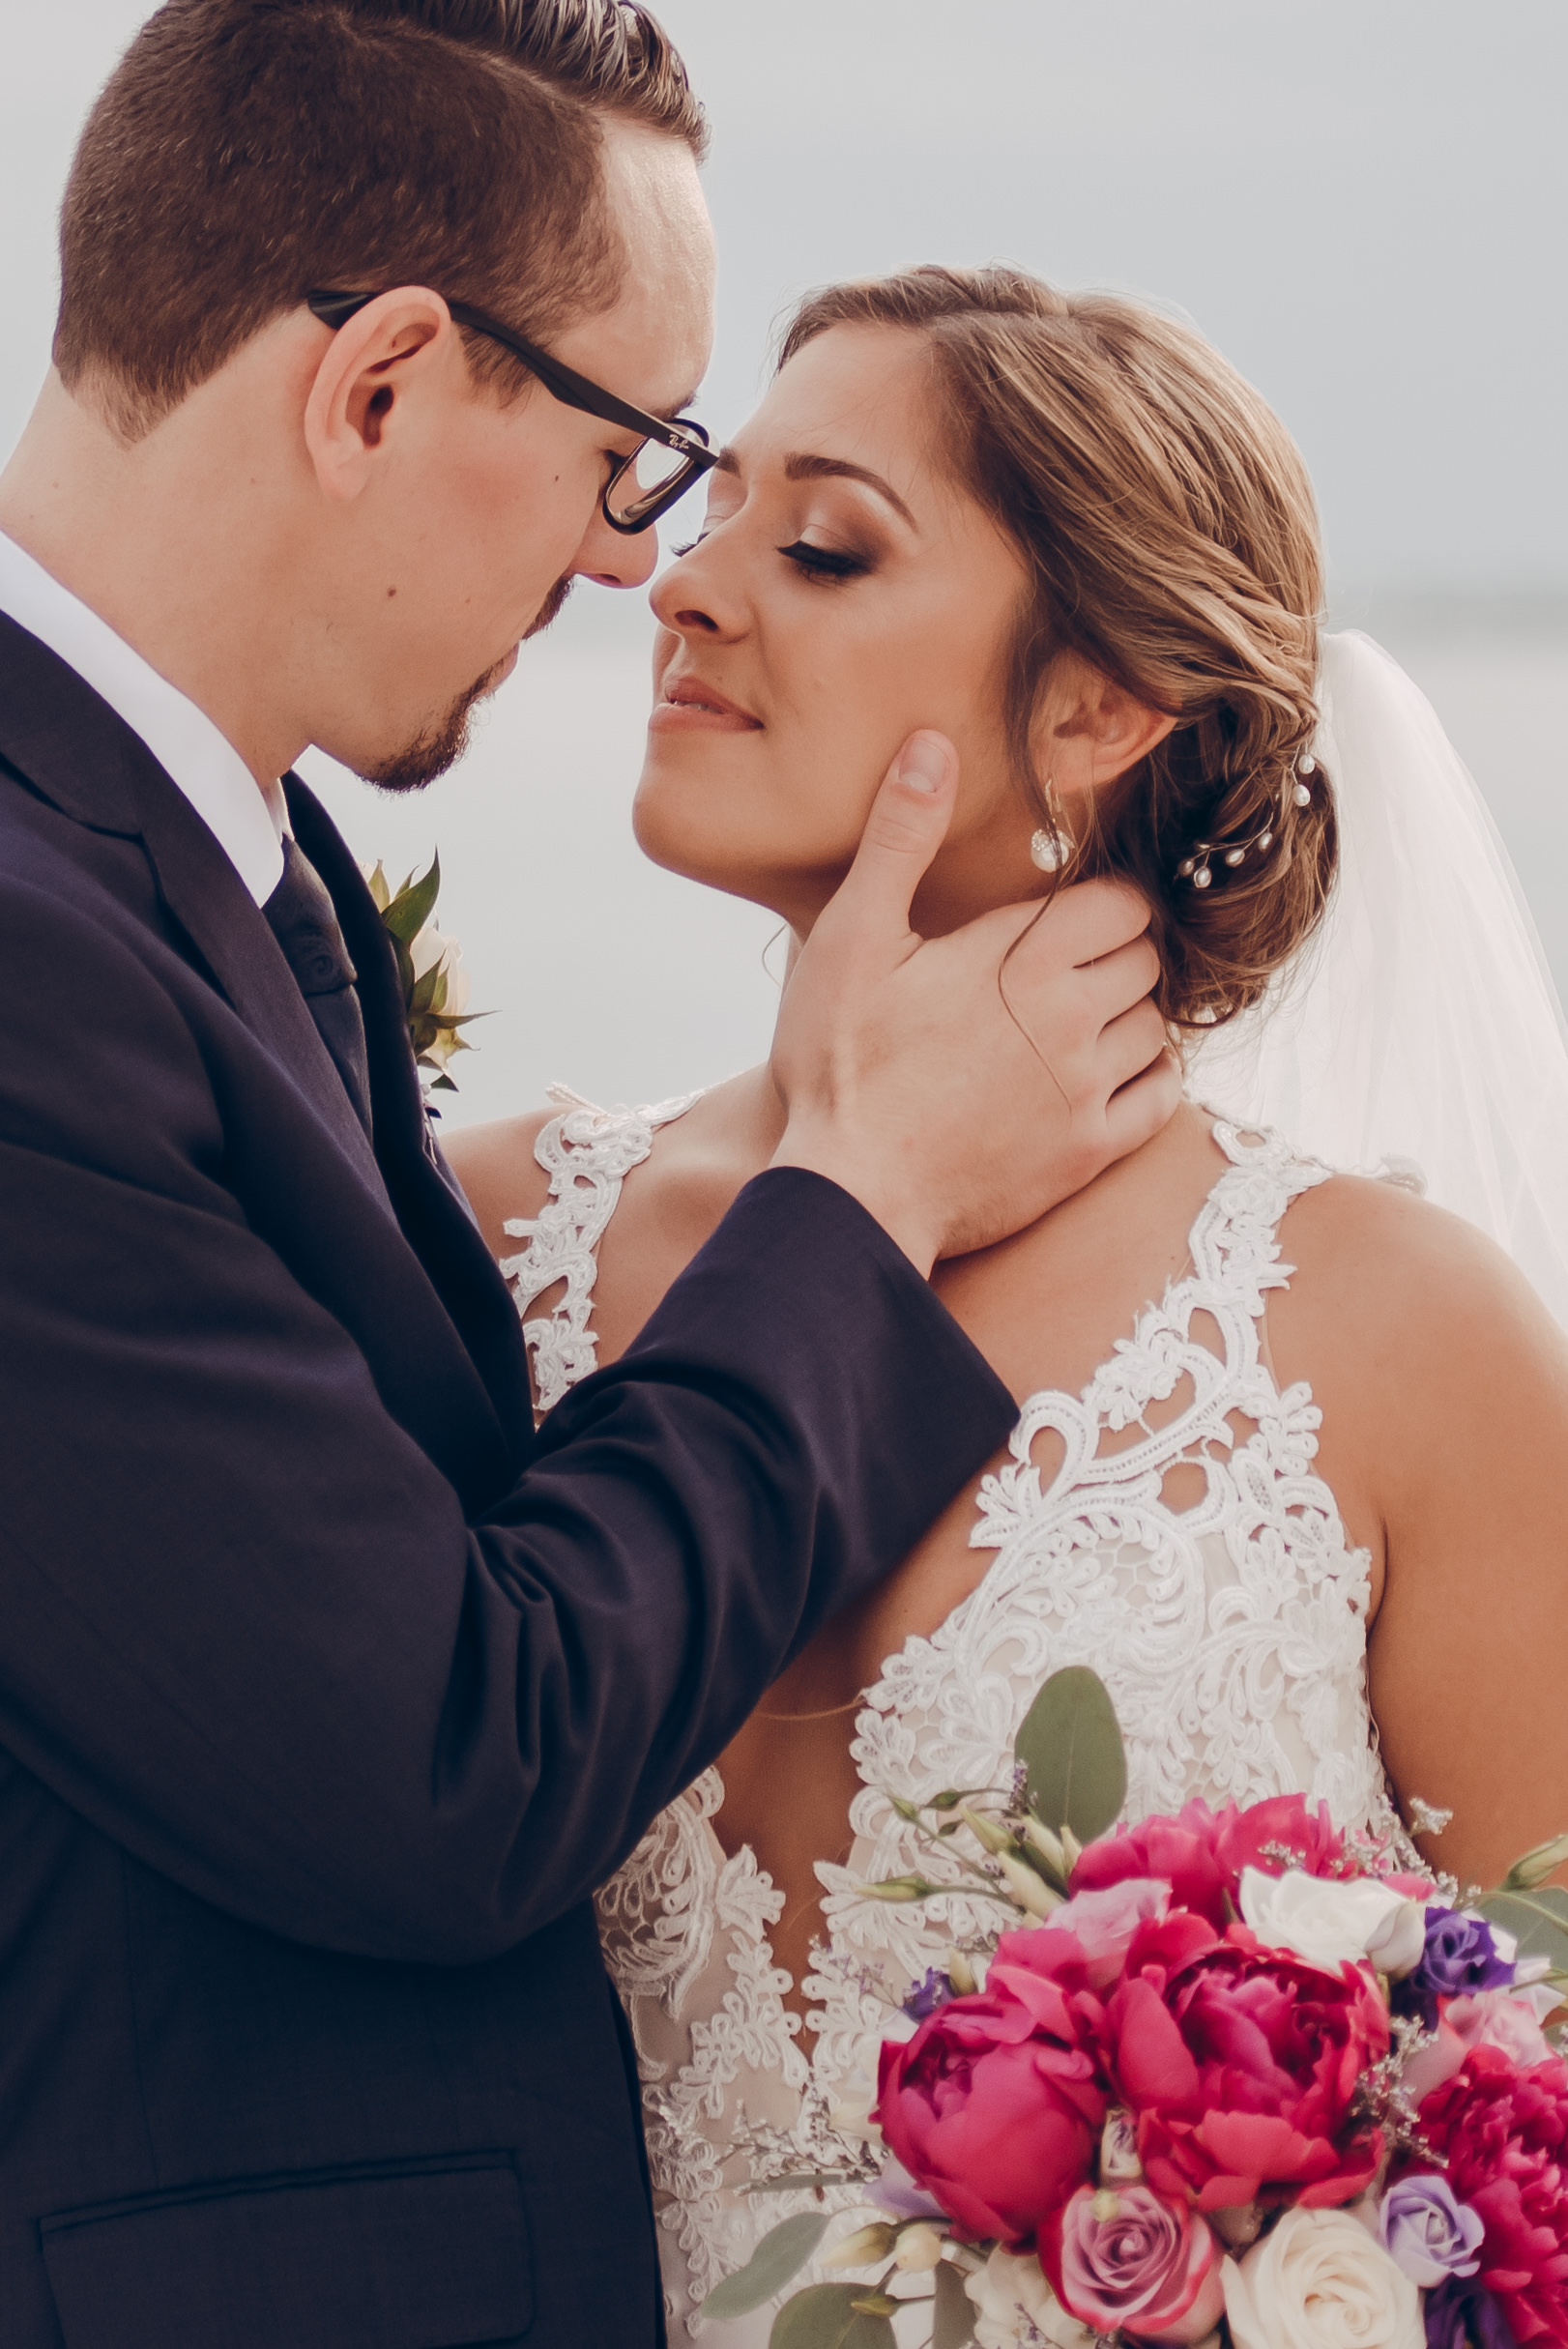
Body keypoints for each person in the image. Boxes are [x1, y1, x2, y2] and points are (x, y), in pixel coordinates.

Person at [0, 11, 1182, 2346]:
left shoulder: (238, 871)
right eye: (642, 454)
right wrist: (852, 1197)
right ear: (380, 387)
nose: (641, 564)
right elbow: (442, 1768)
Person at [450, 263, 1568, 2335]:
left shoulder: (1394, 1338)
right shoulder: (474, 1234)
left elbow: (1543, 2156)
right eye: (708, 513)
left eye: (822, 544)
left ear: (1094, 710)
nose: (683, 590)